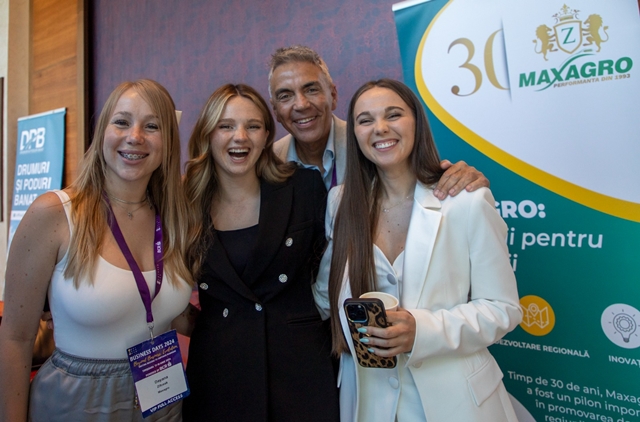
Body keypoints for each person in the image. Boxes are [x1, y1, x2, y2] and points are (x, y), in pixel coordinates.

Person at [313, 79, 523, 422]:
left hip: (454, 404)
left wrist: (421, 330)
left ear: (417, 122)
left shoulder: (465, 200)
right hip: (368, 401)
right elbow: (325, 293)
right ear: (355, 134)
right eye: (365, 120)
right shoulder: (340, 203)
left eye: (393, 114)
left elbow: (503, 309)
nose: (380, 128)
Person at [0, 79, 194, 422]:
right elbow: (16, 338)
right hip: (78, 402)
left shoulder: (175, 218)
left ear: (168, 142)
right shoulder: (55, 214)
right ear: (102, 131)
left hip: (162, 400)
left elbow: (166, 310)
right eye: (122, 122)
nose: (135, 136)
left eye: (152, 126)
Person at [181, 84, 339, 422]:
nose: (240, 137)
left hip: (301, 374)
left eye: (252, 126)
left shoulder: (304, 187)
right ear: (207, 134)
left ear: (267, 135)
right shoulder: (184, 205)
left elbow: (335, 268)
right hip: (220, 376)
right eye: (226, 126)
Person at [268, 45, 489, 196]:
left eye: (311, 89)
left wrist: (462, 180)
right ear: (275, 110)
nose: (301, 104)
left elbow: (427, 186)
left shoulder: (373, 142)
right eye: (285, 96)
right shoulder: (266, 164)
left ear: (333, 96)